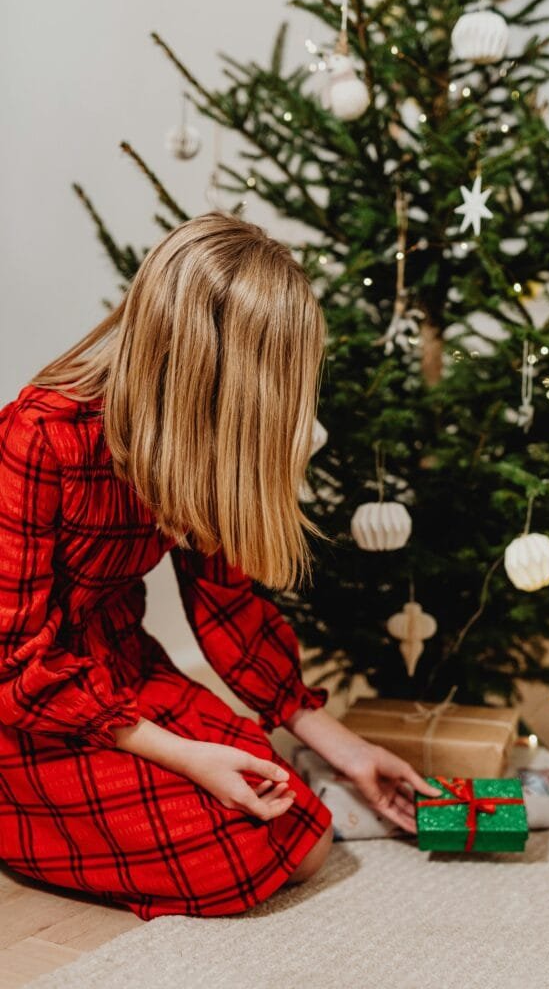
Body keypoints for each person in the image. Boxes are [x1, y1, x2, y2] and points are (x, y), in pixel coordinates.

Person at [0, 211, 440, 921]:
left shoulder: (194, 445)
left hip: (117, 671)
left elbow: (226, 606)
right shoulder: (41, 435)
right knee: (244, 854)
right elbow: (12, 660)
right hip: (25, 702)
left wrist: (344, 748)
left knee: (295, 826)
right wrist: (181, 755)